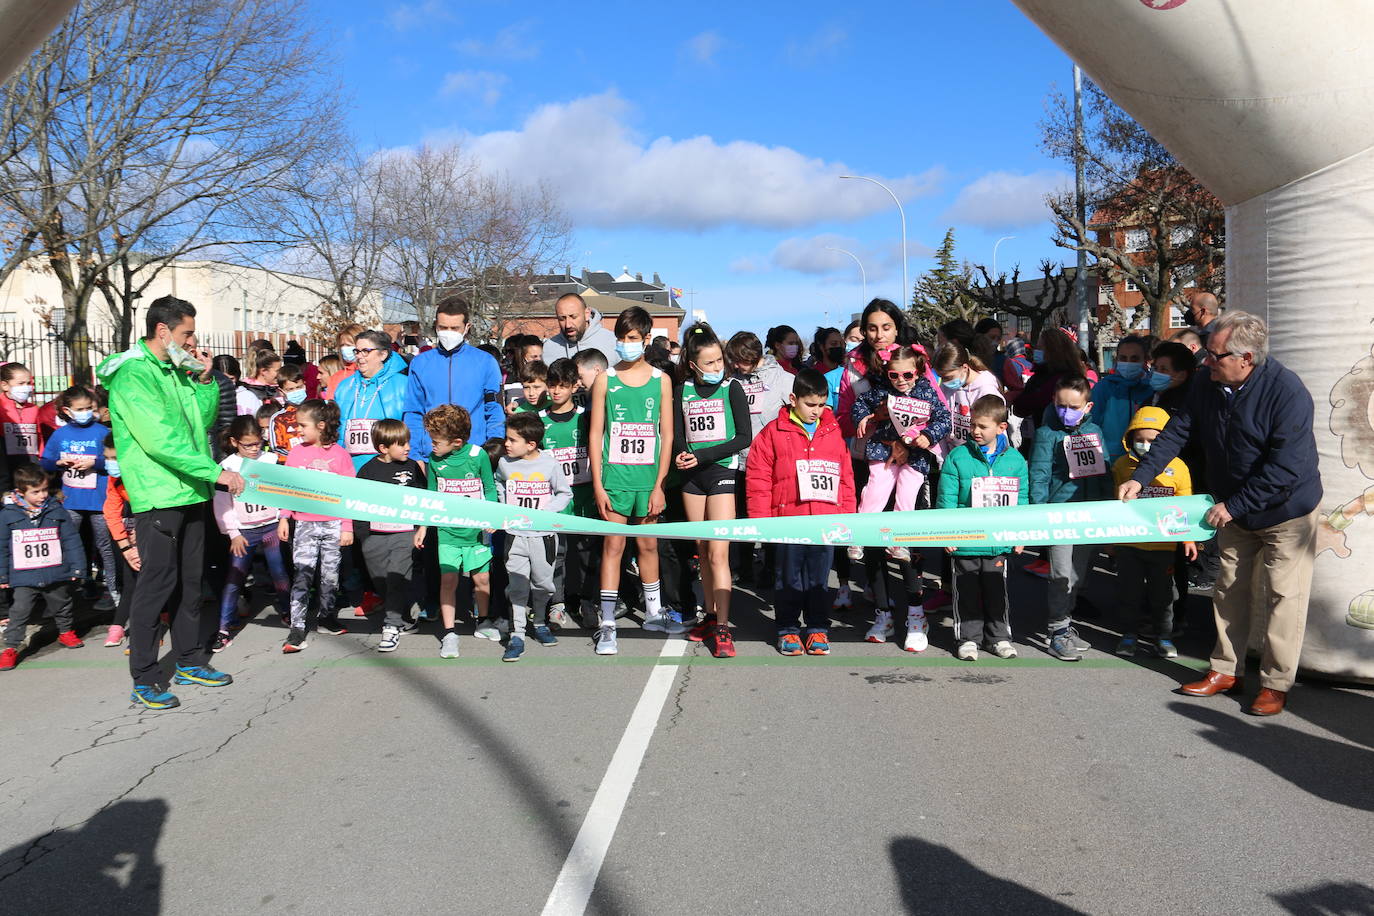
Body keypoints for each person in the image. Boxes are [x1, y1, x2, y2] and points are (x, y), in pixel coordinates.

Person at [1120, 311, 1321, 717]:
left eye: (1214, 356)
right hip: (1232, 509)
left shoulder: (1287, 392)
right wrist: (1141, 478)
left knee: (1285, 596)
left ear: (1245, 357)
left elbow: (1286, 468)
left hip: (1286, 510)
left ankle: (1275, 684)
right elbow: (1177, 431)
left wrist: (1234, 506)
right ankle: (1226, 670)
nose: (1206, 363)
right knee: (1229, 588)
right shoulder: (1207, 384)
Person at [98, 295, 241, 709]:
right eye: (186, 333)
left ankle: (190, 659)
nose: (192, 341)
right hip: (159, 494)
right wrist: (216, 472)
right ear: (163, 331)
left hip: (189, 489)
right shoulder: (133, 374)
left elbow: (202, 419)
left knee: (191, 582)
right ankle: (144, 676)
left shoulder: (175, 369)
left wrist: (205, 380)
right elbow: (162, 440)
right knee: (157, 585)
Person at [745, 369, 855, 656]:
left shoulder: (833, 432)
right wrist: (761, 523)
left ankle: (818, 626)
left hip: (823, 520)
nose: (816, 412)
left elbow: (845, 478)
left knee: (819, 577)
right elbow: (758, 477)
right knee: (789, 577)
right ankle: (788, 628)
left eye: (821, 405)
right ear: (793, 399)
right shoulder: (773, 432)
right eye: (810, 405)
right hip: (787, 521)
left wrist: (847, 518)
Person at [588, 306, 677, 655]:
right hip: (614, 478)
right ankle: (607, 622)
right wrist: (597, 483)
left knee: (649, 545)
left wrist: (660, 485)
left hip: (648, 480)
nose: (626, 344)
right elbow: (596, 434)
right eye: (621, 338)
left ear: (645, 339)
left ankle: (654, 612)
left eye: (632, 338)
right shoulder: (605, 379)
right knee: (613, 546)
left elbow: (667, 435)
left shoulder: (661, 380)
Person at [852, 345, 948, 650]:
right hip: (882, 453)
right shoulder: (879, 389)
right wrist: (866, 416)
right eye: (895, 374)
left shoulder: (927, 390)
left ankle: (902, 544)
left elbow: (943, 418)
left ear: (918, 371)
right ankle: (859, 536)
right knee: (874, 494)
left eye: (907, 374)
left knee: (906, 499)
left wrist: (928, 437)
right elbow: (859, 405)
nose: (901, 380)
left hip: (916, 457)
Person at [672, 323, 752, 658]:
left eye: (720, 360)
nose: (718, 367)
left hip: (721, 471)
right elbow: (677, 434)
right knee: (702, 551)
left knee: (719, 552)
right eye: (710, 363)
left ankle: (723, 626)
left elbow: (743, 437)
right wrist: (681, 454)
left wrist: (702, 456)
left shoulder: (731, 388)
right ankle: (710, 614)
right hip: (693, 478)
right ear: (693, 364)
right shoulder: (683, 390)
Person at [936, 395, 1028, 661]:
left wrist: (1019, 534)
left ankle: (998, 637)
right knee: (966, 589)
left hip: (998, 539)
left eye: (983, 426)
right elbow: (947, 499)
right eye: (973, 425)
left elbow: (1022, 501)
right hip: (965, 538)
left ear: (1001, 428)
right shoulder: (958, 457)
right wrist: (947, 532)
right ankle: (968, 639)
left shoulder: (1015, 460)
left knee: (996, 589)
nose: (975, 431)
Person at [1029, 376, 1111, 661]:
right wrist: (1039, 513)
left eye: (1073, 406)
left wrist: (1105, 510)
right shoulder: (1046, 434)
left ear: (1087, 406)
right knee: (1060, 574)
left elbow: (1104, 472)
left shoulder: (1095, 432)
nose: (1066, 411)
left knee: (1077, 576)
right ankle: (1056, 630)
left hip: (1088, 514)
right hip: (1058, 514)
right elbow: (1038, 475)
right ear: (1054, 402)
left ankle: (1066, 623)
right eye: (1061, 405)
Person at [1110, 407, 1197, 659]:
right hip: (1130, 545)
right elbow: (1113, 506)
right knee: (1129, 593)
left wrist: (1188, 538)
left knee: (1164, 596)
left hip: (1164, 547)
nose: (1145, 445)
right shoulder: (1121, 465)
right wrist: (1111, 541)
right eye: (1140, 440)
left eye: (1153, 441)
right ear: (1130, 439)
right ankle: (1129, 635)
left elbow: (1186, 506)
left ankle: (1164, 637)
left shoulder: (1178, 468)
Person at [418, 404, 497, 659]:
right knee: (448, 581)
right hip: (448, 534)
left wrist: (491, 516)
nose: (432, 445)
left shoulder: (478, 456)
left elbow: (490, 488)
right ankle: (450, 633)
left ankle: (483, 622)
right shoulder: (434, 460)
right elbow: (431, 496)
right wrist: (422, 526)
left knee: (481, 580)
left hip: (476, 533)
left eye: (436, 441)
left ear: (457, 441)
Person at [278, 399, 355, 653]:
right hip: (304, 524)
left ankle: (326, 616)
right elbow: (288, 487)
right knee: (302, 574)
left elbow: (348, 494)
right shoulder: (297, 453)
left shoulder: (341, 455)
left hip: (333, 524)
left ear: (321, 426)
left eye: (303, 425)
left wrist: (347, 526)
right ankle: (297, 628)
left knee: (330, 576)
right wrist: (284, 517)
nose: (299, 431)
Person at [495, 412, 571, 662]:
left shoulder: (549, 464)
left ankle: (539, 622)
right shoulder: (505, 464)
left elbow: (564, 493)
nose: (506, 444)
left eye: (512, 440)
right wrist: (503, 505)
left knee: (543, 584)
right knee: (517, 586)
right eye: (507, 438)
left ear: (531, 444)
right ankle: (517, 634)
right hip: (515, 537)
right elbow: (499, 485)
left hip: (544, 537)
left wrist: (545, 512)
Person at [211, 416, 289, 653]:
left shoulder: (271, 460)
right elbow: (222, 505)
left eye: (258, 443)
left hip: (271, 527)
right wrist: (233, 533)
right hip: (244, 532)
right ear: (235, 442)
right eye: (248, 445)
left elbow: (283, 491)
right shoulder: (227, 467)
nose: (255, 449)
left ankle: (288, 612)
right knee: (235, 579)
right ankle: (224, 628)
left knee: (279, 572)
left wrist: (283, 518)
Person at [0, 464, 87, 670]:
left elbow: (71, 539)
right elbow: (2, 546)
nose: (42, 495)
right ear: (21, 492)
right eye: (36, 491)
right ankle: (10, 647)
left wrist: (77, 568)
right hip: (23, 575)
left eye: (45, 490)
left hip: (55, 570)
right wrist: (2, 575)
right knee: (19, 611)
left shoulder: (57, 510)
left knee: (62, 603)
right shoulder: (7, 515)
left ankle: (65, 632)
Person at [354, 419, 427, 653]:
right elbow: (358, 504)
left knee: (396, 576)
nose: (407, 447)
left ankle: (391, 627)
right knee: (382, 580)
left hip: (404, 533)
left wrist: (420, 528)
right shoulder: (367, 470)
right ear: (384, 448)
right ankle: (403, 615)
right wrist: (363, 536)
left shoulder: (412, 467)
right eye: (401, 443)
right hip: (374, 535)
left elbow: (424, 498)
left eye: (408, 442)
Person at [40, 386, 116, 610]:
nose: (86, 412)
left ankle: (113, 591)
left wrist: (96, 462)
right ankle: (81, 586)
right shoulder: (60, 434)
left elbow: (116, 459)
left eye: (89, 409)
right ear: (67, 410)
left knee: (106, 547)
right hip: (71, 500)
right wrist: (57, 463)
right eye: (80, 409)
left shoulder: (102, 432)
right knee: (71, 545)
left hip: (99, 501)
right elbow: (45, 461)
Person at [403, 296, 503, 461]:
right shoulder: (420, 363)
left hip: (474, 454)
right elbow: (413, 411)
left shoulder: (485, 362)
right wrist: (415, 455)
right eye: (443, 327)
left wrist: (493, 446)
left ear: (466, 327)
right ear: (435, 326)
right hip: (431, 455)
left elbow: (494, 408)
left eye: (455, 328)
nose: (448, 333)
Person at [544, 358, 599, 627]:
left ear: (574, 386)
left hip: (585, 496)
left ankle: (588, 602)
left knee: (587, 553)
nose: (556, 391)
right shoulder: (539, 420)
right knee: (557, 554)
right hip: (555, 500)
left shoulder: (585, 418)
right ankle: (557, 603)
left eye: (562, 386)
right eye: (552, 385)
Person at [334, 329, 409, 470]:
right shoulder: (344, 386)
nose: (360, 356)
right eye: (357, 351)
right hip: (350, 466)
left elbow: (411, 425)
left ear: (383, 354)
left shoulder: (404, 384)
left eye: (366, 351)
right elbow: (335, 426)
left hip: (388, 465)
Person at [1091, 335, 1153, 464]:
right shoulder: (1103, 388)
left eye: (1134, 358)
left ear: (1145, 360)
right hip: (1110, 462)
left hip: (1145, 462)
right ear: (1117, 359)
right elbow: (1092, 426)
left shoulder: (1152, 389)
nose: (1128, 363)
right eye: (1123, 358)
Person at [100, 434, 137, 648]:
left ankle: (151, 625)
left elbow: (152, 507)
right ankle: (119, 625)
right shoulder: (114, 478)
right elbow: (111, 513)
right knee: (131, 575)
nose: (110, 463)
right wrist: (126, 548)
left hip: (156, 523)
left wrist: (141, 534)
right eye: (107, 458)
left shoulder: (145, 473)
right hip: (132, 529)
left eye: (115, 458)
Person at [1013, 327, 1080, 432]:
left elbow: (1026, 404)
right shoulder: (1040, 374)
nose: (1036, 351)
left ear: (1053, 351)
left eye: (1040, 348)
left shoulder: (1061, 379)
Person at [542, 292, 619, 365]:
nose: (568, 325)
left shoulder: (613, 343)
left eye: (573, 317)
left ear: (587, 314)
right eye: (562, 319)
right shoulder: (548, 348)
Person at [0, 363, 43, 468]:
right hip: (5, 464)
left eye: (28, 383)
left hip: (30, 464)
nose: (26, 387)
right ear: (5, 385)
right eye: (21, 383)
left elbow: (39, 436)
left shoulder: (34, 409)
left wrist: (42, 459)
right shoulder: (1, 407)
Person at [267, 363, 308, 456]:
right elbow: (276, 447)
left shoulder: (316, 411)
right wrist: (295, 457)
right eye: (290, 389)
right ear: (281, 392)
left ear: (304, 385)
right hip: (289, 466)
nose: (296, 392)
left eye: (299, 387)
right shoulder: (278, 419)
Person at [236, 348, 283, 416]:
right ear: (264, 371)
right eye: (277, 371)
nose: (280, 373)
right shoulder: (246, 389)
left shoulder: (279, 388)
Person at [326, 324, 365, 396]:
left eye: (349, 345)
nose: (344, 349)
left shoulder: (372, 372)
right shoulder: (337, 377)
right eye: (342, 345)